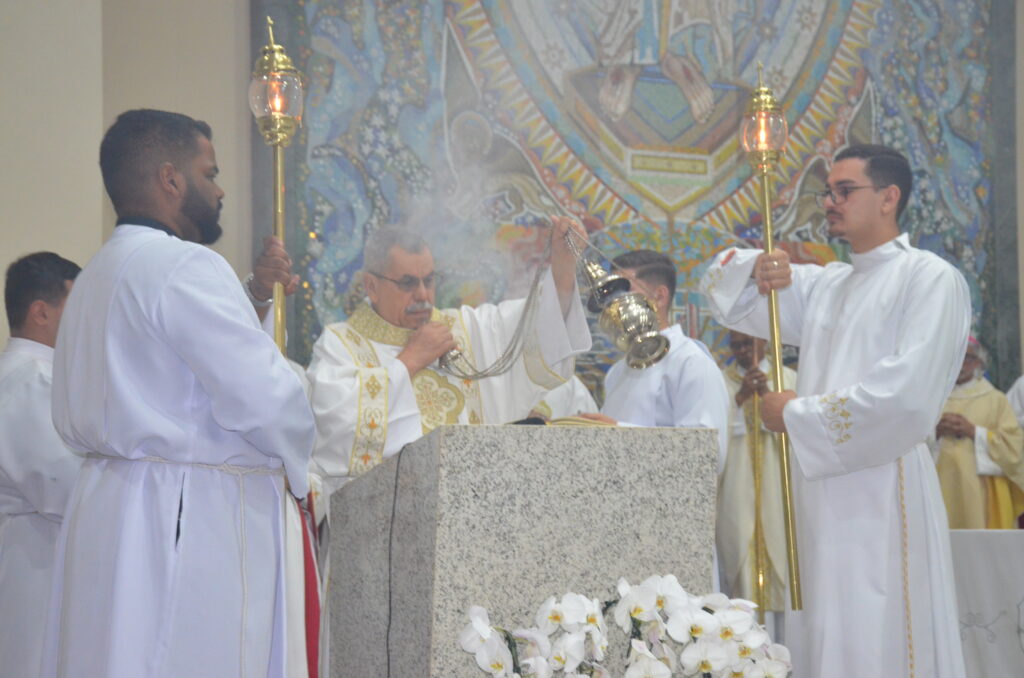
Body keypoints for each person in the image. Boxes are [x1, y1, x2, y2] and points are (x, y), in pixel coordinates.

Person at [42, 109, 315, 677]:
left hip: (109, 512)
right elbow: (263, 398)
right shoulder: (184, 265)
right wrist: (304, 458)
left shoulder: (95, 275)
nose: (218, 191)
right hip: (187, 518)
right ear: (171, 179)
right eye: (209, 173)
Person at [700, 144, 969, 678]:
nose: (830, 202)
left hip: (884, 489)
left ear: (889, 197)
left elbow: (908, 397)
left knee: (880, 628)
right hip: (819, 491)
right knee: (823, 627)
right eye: (828, 192)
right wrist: (759, 267)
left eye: (845, 191)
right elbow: (723, 293)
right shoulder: (828, 284)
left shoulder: (929, 279)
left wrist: (797, 414)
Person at [306, 220, 590, 489]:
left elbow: (536, 328)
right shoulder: (341, 345)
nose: (423, 295)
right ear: (371, 286)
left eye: (429, 281)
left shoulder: (465, 330)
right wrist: (411, 360)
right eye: (407, 283)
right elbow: (336, 428)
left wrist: (562, 269)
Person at [0, 252, 83, 676]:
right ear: (41, 312)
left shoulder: (17, 375)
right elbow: (68, 489)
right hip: (36, 566)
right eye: (77, 308)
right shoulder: (35, 382)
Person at [581, 250, 730, 470]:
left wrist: (618, 431)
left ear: (659, 296)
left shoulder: (690, 361)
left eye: (623, 292)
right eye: (609, 298)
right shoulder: (617, 372)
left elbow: (708, 453)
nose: (613, 306)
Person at [716, 330, 796, 615]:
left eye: (748, 343)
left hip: (779, 489)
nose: (743, 352)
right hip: (737, 492)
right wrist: (739, 399)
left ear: (762, 341)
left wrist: (766, 397)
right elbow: (714, 433)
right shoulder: (721, 383)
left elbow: (800, 433)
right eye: (736, 346)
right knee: (742, 558)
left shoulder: (787, 379)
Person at [932, 338, 1024, 528]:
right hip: (937, 487)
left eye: (967, 357)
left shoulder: (995, 400)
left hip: (981, 493)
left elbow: (1014, 447)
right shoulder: (932, 398)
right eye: (955, 357)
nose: (961, 363)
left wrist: (974, 432)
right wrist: (936, 432)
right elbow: (909, 441)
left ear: (979, 362)